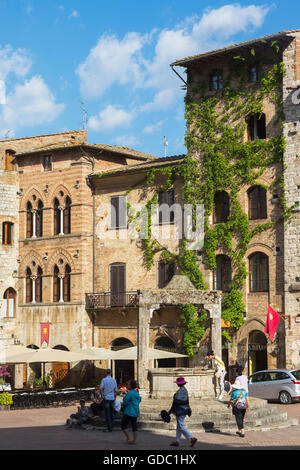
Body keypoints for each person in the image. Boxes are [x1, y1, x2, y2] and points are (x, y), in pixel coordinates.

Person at [167, 377, 197, 448]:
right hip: (185, 409)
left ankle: (191, 438)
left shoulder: (179, 392)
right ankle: (177, 441)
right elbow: (186, 401)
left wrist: (170, 411)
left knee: (180, 426)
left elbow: (176, 402)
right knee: (179, 426)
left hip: (180, 410)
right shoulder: (185, 390)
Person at [121, 380, 141, 445]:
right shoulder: (136, 393)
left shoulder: (130, 393)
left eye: (128, 384)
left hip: (129, 411)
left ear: (131, 386)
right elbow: (139, 399)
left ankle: (128, 438)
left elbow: (125, 401)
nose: (127, 385)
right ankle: (134, 440)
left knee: (123, 425)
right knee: (134, 426)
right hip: (135, 411)